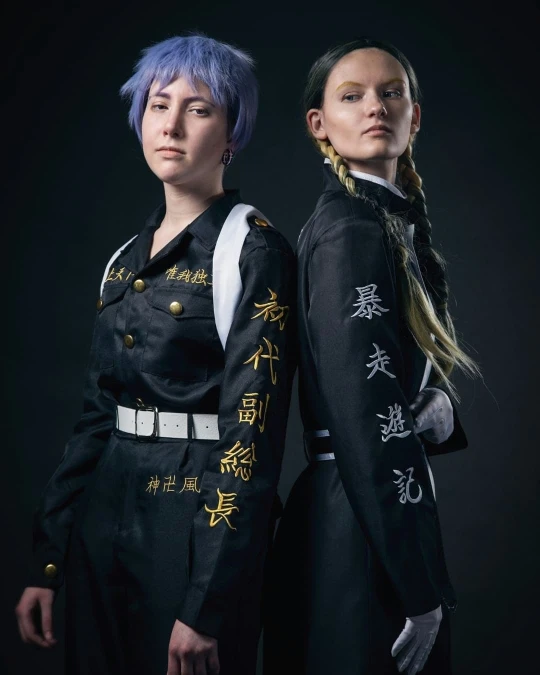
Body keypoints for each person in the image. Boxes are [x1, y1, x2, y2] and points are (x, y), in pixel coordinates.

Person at [15, 33, 296, 675]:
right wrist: (48, 562)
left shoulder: (254, 252)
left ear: (232, 132)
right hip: (104, 515)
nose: (170, 125)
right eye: (157, 105)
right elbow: (95, 417)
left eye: (198, 109)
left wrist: (207, 605)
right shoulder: (124, 260)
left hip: (192, 522)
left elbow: (252, 437)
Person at [263, 38, 478, 675]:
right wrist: (418, 586)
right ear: (319, 123)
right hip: (360, 520)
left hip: (361, 510)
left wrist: (435, 400)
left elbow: (383, 376)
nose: (375, 107)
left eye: (391, 93)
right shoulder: (352, 228)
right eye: (351, 96)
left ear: (416, 115)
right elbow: (363, 414)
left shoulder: (382, 219)